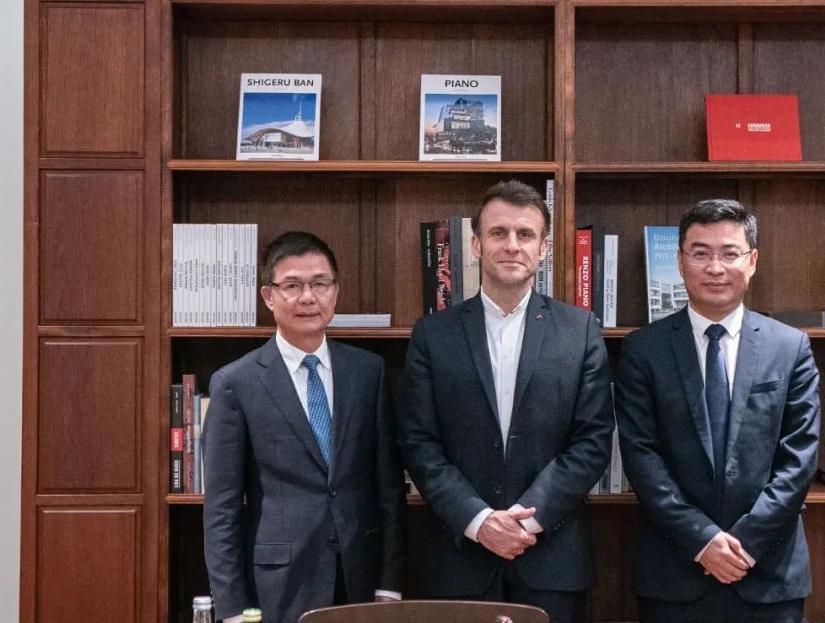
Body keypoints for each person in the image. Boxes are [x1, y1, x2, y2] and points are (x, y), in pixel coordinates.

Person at [399, 180, 614, 623]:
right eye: (498, 233)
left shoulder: (580, 330)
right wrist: (479, 521)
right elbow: (419, 443)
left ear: (543, 248)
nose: (512, 245)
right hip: (461, 560)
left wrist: (526, 521)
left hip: (552, 559)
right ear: (476, 244)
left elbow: (593, 441)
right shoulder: (433, 334)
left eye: (525, 234)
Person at [614, 199, 821, 623]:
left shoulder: (790, 347)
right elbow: (641, 457)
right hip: (675, 570)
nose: (715, 268)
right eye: (701, 253)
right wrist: (703, 540)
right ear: (680, 261)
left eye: (730, 253)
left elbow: (798, 459)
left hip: (768, 573)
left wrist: (746, 543)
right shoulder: (643, 350)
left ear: (752, 261)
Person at [203, 231, 404, 623]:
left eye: (320, 284)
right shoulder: (236, 383)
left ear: (335, 292)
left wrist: (389, 584)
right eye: (292, 285)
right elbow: (222, 509)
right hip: (278, 585)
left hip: (358, 577)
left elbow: (388, 490)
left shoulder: (368, 373)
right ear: (268, 296)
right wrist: (232, 610)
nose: (308, 297)